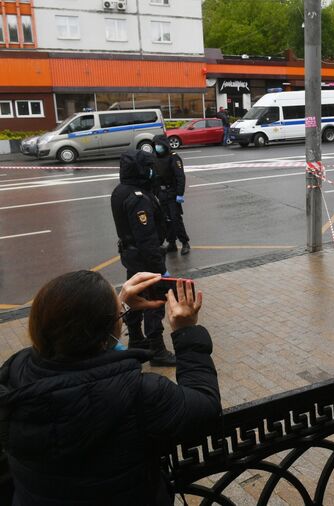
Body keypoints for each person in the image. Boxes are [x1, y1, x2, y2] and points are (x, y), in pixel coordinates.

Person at [0, 271, 221, 505]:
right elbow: (205, 406)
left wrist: (121, 304)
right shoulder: (141, 393)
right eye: (118, 316)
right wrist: (185, 331)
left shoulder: (13, 378)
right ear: (104, 336)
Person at [111, 149, 176, 366]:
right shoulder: (137, 197)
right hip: (145, 258)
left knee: (133, 295)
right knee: (153, 303)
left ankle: (137, 340)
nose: (152, 171)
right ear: (140, 169)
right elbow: (147, 238)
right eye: (148, 167)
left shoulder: (121, 190)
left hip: (131, 255)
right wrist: (160, 269)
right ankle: (157, 350)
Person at [152, 134, 190, 256]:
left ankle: (184, 242)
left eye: (159, 144)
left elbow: (180, 177)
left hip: (172, 193)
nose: (157, 147)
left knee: (175, 219)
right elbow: (153, 177)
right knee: (165, 220)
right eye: (155, 145)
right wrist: (155, 192)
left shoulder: (174, 157)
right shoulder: (154, 157)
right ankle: (172, 243)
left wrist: (180, 194)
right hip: (161, 193)